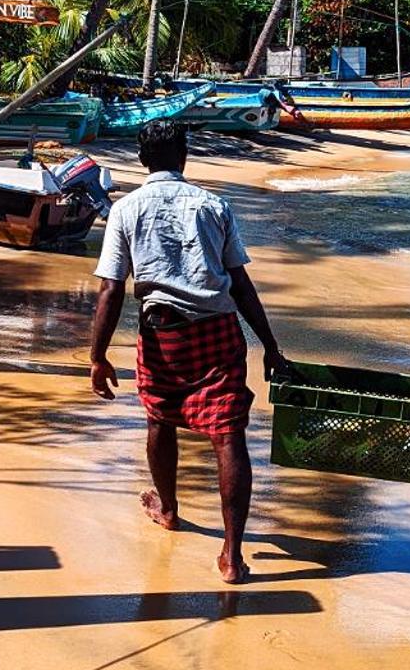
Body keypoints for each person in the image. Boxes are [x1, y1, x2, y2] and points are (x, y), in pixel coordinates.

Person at [89, 118, 289, 585]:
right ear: (184, 157)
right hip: (219, 331)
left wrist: (97, 356)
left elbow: (110, 289)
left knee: (159, 418)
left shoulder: (126, 209)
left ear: (142, 161)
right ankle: (232, 555)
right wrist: (270, 345)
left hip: (163, 335)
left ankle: (170, 509)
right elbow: (239, 282)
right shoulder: (213, 205)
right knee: (228, 434)